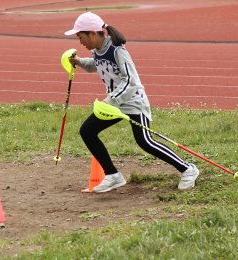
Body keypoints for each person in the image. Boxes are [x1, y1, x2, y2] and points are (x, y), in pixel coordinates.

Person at [64, 12, 199, 193]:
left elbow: (131, 81)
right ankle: (113, 175)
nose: (80, 42)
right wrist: (79, 62)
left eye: (81, 37)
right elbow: (95, 65)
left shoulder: (117, 50)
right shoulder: (97, 51)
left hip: (133, 102)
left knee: (145, 141)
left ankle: (188, 169)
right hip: (114, 104)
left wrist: (111, 100)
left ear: (93, 34)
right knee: (87, 131)